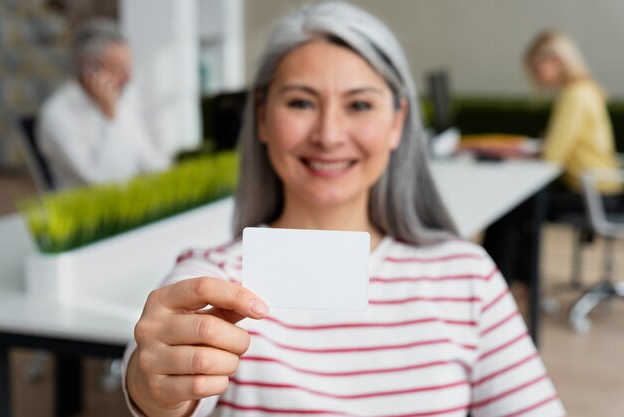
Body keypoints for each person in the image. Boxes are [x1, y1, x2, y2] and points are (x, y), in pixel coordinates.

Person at [122, 3, 565, 416]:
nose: (329, 135)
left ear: (397, 122)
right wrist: (151, 384)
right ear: (260, 117)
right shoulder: (212, 282)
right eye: (300, 102)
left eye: (359, 105)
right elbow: (157, 380)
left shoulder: (467, 276)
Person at [484, 31, 623, 286]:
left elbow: (553, 155)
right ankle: (517, 284)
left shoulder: (576, 95)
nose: (536, 77)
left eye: (537, 69)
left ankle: (508, 285)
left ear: (556, 60)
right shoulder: (585, 90)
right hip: (600, 189)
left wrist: (536, 150)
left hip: (595, 194)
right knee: (521, 205)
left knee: (514, 207)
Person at [37, 18, 170, 190]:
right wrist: (111, 116)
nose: (129, 77)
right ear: (91, 71)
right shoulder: (57, 115)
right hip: (87, 207)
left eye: (129, 66)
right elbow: (104, 182)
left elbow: (147, 158)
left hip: (130, 197)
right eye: (119, 69)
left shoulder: (122, 96)